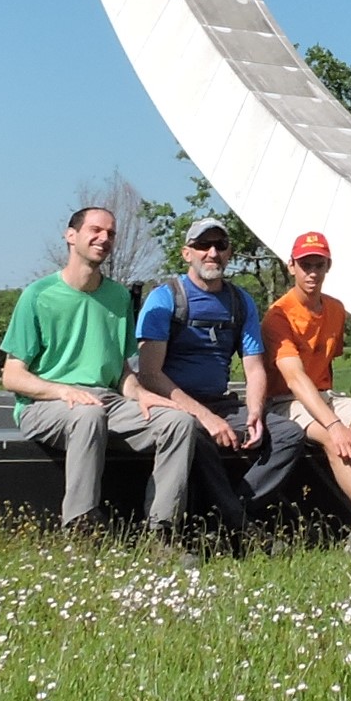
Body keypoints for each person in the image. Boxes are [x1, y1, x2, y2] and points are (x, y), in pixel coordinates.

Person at [2, 205, 202, 533]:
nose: (104, 238)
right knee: (87, 414)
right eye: (95, 230)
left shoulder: (118, 296)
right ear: (71, 236)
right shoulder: (38, 296)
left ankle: (162, 531)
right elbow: (12, 376)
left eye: (110, 233)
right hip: (46, 404)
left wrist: (142, 395)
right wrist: (63, 390)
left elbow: (121, 371)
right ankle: (81, 527)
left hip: (105, 401)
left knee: (179, 421)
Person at [133, 216, 308, 530]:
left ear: (229, 254)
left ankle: (233, 511)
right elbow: (150, 374)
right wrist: (205, 418)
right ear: (187, 253)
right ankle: (237, 525)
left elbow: (254, 368)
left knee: (288, 435)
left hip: (223, 404)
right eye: (203, 245)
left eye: (220, 245)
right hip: (173, 408)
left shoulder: (240, 302)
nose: (212, 252)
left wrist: (255, 412)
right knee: (196, 435)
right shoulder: (165, 298)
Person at [263, 231, 351, 553]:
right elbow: (295, 378)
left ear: (328, 266)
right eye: (305, 264)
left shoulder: (335, 309)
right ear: (291, 266)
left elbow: (326, 367)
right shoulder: (278, 316)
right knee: (333, 440)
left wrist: (339, 415)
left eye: (319, 264)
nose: (312, 272)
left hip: (325, 394)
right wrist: (334, 425)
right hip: (286, 399)